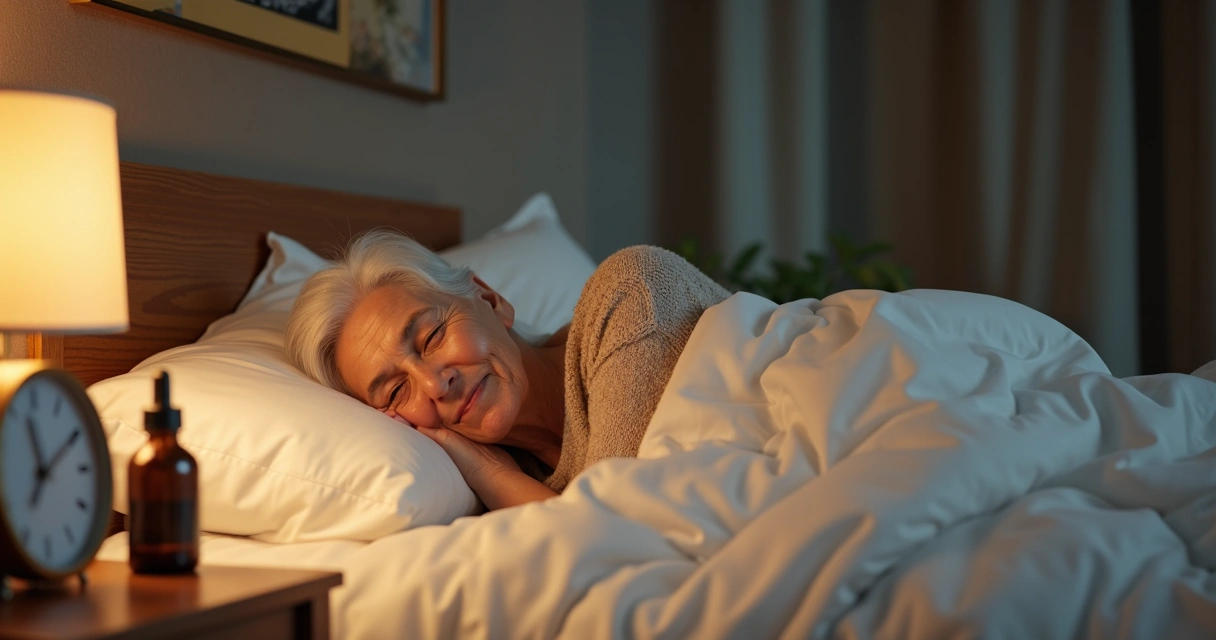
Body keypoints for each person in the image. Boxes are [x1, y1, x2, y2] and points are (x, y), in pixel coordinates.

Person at [286, 230, 728, 510]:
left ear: (490, 300)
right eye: (397, 390)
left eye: (432, 337)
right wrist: (491, 473)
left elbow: (615, 538)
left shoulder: (630, 297)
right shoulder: (512, 480)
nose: (435, 383)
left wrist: (495, 478)